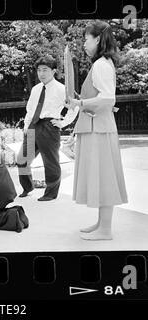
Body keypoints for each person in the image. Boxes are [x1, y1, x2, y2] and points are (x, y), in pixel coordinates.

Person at [66, 21, 128, 240]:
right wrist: (80, 103)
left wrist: (80, 104)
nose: (84, 43)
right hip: (98, 127)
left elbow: (108, 97)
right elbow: (104, 98)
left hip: (99, 129)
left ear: (98, 39)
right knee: (102, 176)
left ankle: (105, 229)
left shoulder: (102, 64)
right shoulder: (102, 63)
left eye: (86, 38)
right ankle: (102, 224)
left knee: (104, 177)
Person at [17, 57, 78, 201]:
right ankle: (28, 186)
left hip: (49, 127)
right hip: (33, 125)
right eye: (39, 70)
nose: (41, 73)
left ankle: (50, 193)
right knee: (22, 159)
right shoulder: (36, 89)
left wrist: (63, 123)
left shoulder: (61, 89)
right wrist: (26, 126)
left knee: (50, 162)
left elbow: (74, 107)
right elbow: (30, 109)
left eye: (45, 70)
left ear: (54, 71)